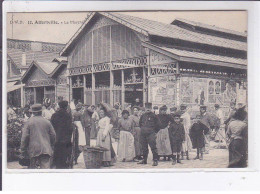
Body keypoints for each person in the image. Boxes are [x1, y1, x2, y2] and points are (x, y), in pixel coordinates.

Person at [20, 104, 56, 169]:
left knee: (33, 171)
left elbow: (24, 137)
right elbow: (53, 135)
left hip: (32, 150)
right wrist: (52, 145)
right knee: (45, 170)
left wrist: (23, 150)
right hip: (45, 149)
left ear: (33, 112)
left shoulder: (29, 122)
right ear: (41, 111)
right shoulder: (47, 122)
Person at [51, 101, 73, 169]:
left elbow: (52, 127)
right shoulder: (68, 116)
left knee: (57, 153)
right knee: (65, 155)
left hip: (56, 138)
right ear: (66, 107)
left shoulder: (54, 115)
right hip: (66, 139)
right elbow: (70, 128)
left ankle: (57, 165)